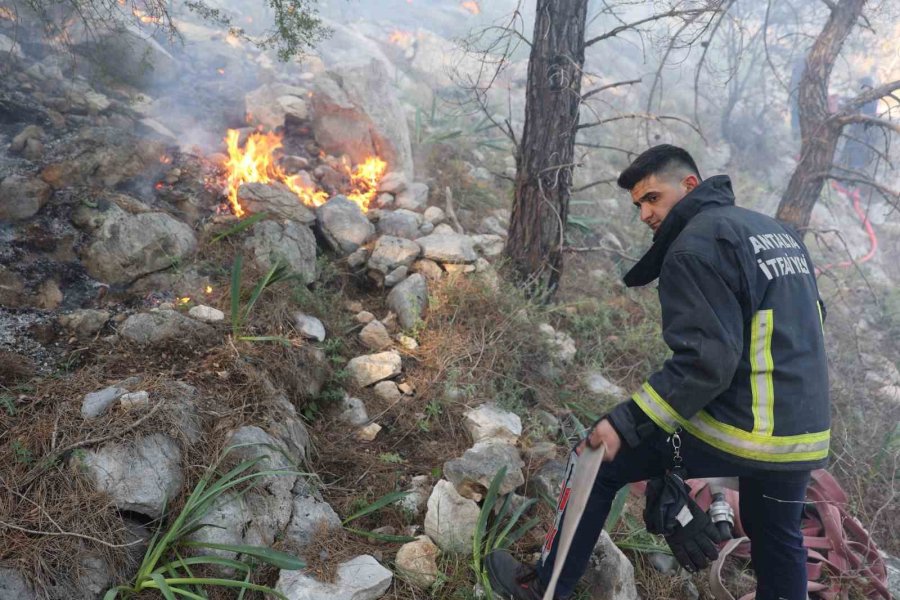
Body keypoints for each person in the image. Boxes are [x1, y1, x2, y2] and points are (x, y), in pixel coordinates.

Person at [486, 145, 831, 600]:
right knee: (779, 541)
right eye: (639, 205)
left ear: (689, 185)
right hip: (803, 435)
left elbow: (705, 364)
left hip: (745, 429)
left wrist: (623, 423)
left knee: (597, 457)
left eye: (652, 198)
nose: (646, 213)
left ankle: (544, 588)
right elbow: (814, 319)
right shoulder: (775, 233)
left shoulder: (695, 245)